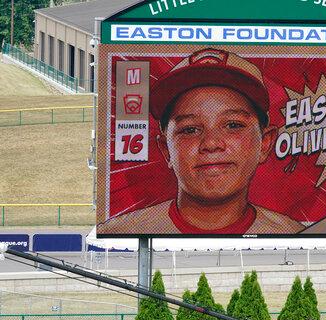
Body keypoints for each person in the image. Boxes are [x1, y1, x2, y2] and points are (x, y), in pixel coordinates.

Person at [100, 48, 304, 235]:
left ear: (265, 143)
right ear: (166, 150)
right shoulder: (121, 232)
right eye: (190, 129)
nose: (212, 143)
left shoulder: (295, 235)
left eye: (233, 125)